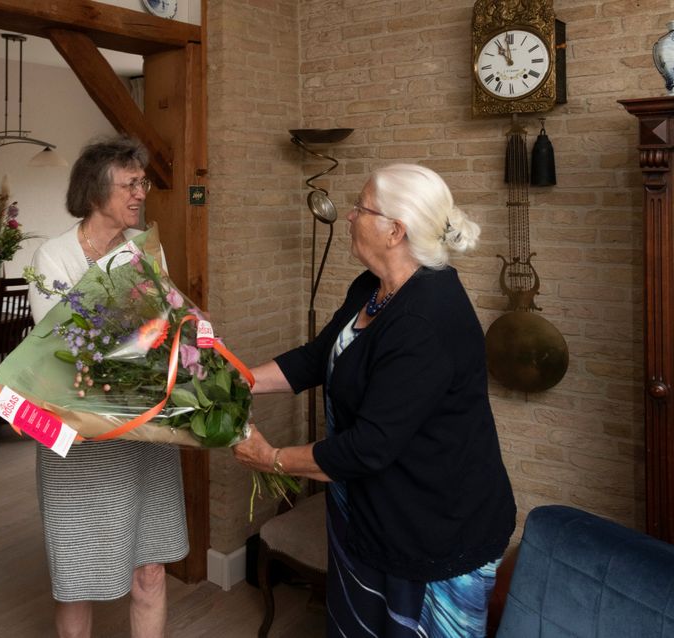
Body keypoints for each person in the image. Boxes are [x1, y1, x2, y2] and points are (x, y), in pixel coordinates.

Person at [234, 164, 516, 637]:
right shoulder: (372, 289)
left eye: (361, 207)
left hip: (432, 529)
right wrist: (237, 379)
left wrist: (272, 459)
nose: (348, 215)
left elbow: (369, 447)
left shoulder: (427, 319)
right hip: (369, 515)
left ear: (394, 231)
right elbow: (317, 357)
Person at [30, 136, 188, 638]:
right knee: (79, 579)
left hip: (145, 434)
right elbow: (59, 352)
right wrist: (141, 334)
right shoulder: (51, 256)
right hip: (80, 442)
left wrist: (182, 331)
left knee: (150, 566)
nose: (141, 193)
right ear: (97, 191)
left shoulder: (145, 249)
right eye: (131, 184)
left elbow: (164, 325)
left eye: (143, 182)